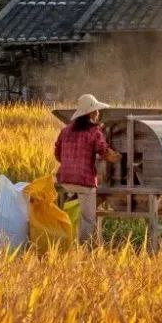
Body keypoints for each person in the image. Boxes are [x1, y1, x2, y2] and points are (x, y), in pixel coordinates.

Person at [54, 93, 117, 244]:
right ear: (90, 113)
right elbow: (105, 153)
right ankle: (83, 247)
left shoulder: (66, 130)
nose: (98, 113)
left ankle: (62, 241)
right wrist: (117, 156)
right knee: (88, 218)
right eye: (96, 110)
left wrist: (71, 162)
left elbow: (57, 154)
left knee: (73, 204)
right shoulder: (94, 132)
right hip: (84, 182)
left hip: (64, 180)